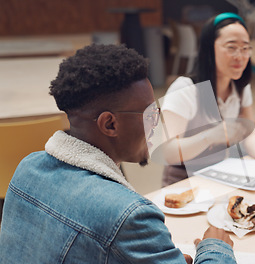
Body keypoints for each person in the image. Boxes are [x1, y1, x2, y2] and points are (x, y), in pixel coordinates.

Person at [0, 44, 236, 263]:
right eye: (150, 114)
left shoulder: (26, 168)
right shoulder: (129, 216)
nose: (156, 125)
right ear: (110, 124)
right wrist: (216, 247)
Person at [161, 12, 255, 186]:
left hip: (221, 177)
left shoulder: (240, 87)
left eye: (245, 48)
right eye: (231, 47)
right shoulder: (185, 89)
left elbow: (249, 132)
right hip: (185, 184)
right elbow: (167, 151)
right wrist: (210, 136)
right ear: (209, 48)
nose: (240, 56)